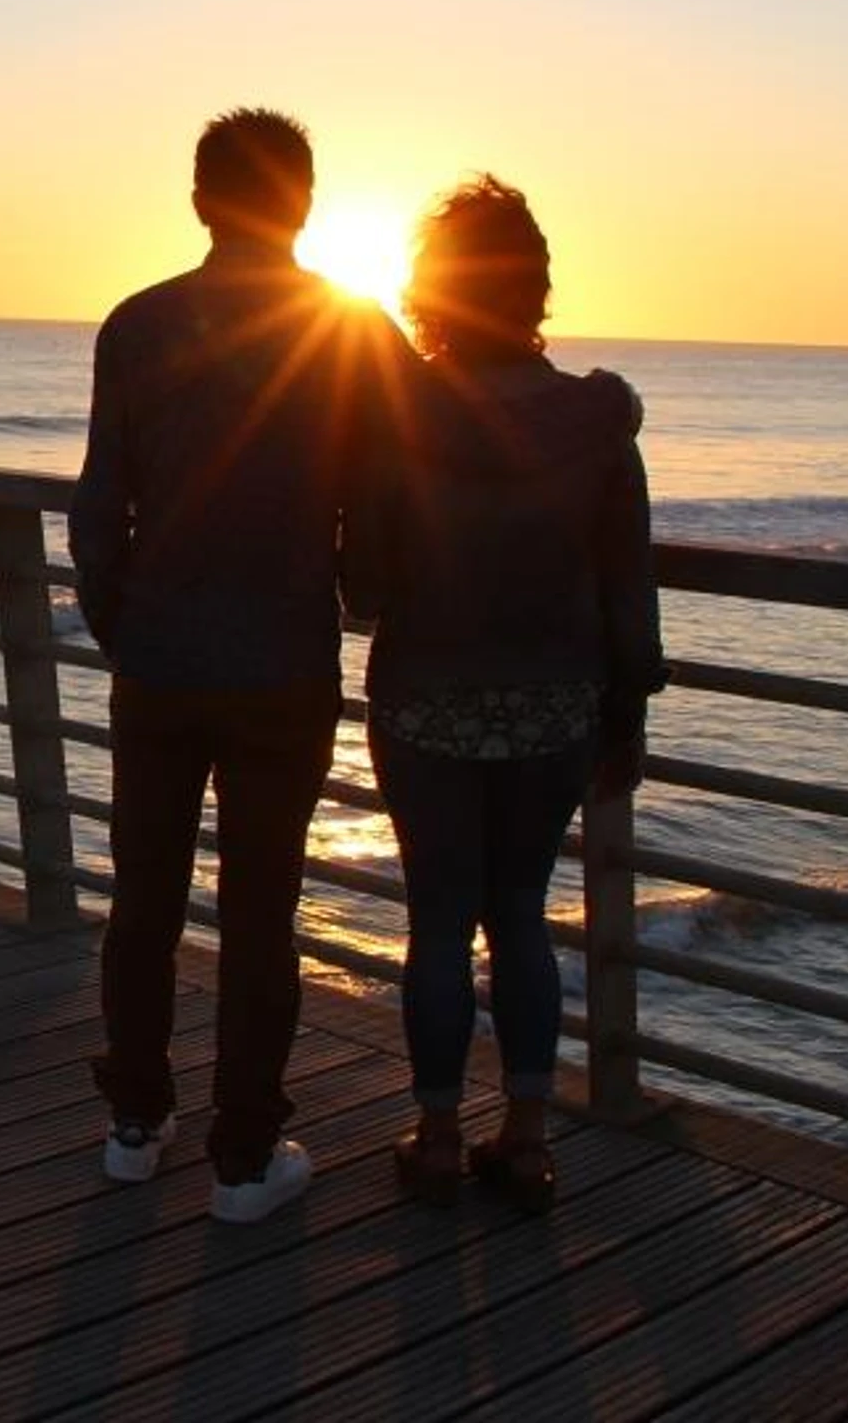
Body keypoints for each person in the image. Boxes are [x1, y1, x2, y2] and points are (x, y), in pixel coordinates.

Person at [70, 107, 410, 1222]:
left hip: (160, 662)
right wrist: (358, 591)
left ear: (200, 201)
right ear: (303, 205)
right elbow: (388, 488)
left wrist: (125, 627)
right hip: (282, 664)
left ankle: (134, 1122)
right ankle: (245, 1157)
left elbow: (98, 505)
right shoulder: (348, 328)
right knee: (262, 913)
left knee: (144, 899)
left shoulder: (137, 324)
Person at [346, 175, 663, 1213]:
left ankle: (439, 1139)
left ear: (432, 292)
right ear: (536, 291)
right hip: (555, 705)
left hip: (424, 699)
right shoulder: (598, 420)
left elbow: (364, 585)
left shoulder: (397, 416)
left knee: (439, 922)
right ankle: (527, 1142)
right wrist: (628, 713)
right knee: (521, 913)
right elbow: (627, 583)